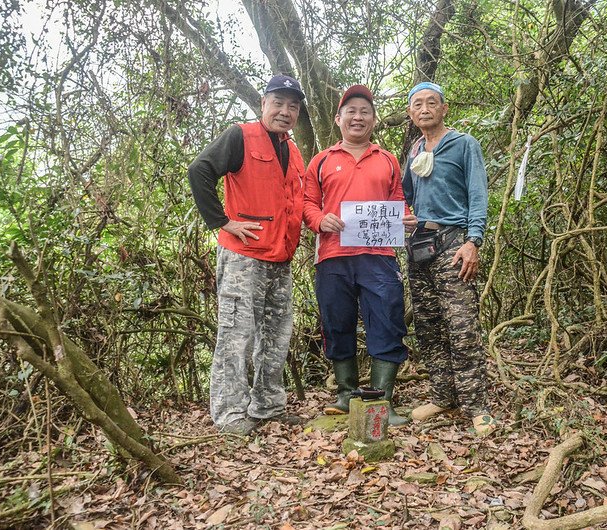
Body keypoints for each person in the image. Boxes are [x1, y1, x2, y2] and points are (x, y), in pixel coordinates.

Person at [188, 74, 307, 435]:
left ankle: (268, 406)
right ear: (263, 103)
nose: (285, 111)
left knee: (276, 335)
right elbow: (199, 170)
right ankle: (229, 415)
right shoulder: (241, 135)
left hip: (280, 259)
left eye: (293, 106)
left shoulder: (294, 149)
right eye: (279, 103)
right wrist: (222, 221)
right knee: (236, 335)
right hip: (244, 257)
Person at [303, 85, 417, 426]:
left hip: (378, 255)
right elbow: (306, 204)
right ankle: (346, 393)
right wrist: (320, 219)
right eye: (351, 111)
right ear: (339, 119)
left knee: (386, 320)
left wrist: (405, 217)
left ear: (373, 119)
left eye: (365, 111)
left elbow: (397, 200)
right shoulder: (321, 160)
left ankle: (382, 400)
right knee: (337, 322)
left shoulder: (387, 160)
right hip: (333, 255)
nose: (358, 117)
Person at [402, 81, 496, 436]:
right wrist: (411, 216)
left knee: (462, 326)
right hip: (420, 243)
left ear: (444, 108)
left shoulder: (464, 144)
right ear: (411, 113)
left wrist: (474, 240)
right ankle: (443, 395)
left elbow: (477, 195)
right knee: (428, 325)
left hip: (454, 243)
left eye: (431, 103)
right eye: (417, 105)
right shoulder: (413, 151)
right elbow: (411, 195)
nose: (424, 109)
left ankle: (476, 406)